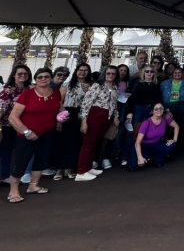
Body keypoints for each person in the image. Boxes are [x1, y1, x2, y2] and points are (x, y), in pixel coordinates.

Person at [6, 68, 63, 202]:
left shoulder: (55, 93)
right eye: (40, 77)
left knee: (41, 160)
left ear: (51, 78)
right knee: (20, 162)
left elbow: (59, 108)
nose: (43, 79)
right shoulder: (28, 94)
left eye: (46, 76)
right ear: (35, 79)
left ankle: (33, 186)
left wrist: (62, 115)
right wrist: (26, 131)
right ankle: (13, 191)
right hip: (26, 135)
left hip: (47, 133)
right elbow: (13, 117)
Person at [75, 66, 119, 182]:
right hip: (95, 115)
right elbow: (86, 103)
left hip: (106, 118)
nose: (110, 75)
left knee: (95, 143)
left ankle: (88, 167)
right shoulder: (97, 86)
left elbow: (114, 104)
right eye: (108, 73)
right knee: (88, 144)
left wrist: (115, 117)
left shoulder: (115, 87)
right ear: (104, 74)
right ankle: (81, 171)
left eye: (113, 74)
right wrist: (84, 121)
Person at [0, 65, 32, 184]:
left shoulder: (29, 90)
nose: (23, 76)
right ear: (14, 75)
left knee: (20, 152)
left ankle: (17, 174)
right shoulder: (8, 90)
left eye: (25, 74)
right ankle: (5, 175)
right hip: (9, 126)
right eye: (19, 74)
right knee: (6, 152)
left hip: (24, 126)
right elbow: (1, 108)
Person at [129, 103, 179, 171]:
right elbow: (137, 142)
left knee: (172, 146)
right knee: (134, 166)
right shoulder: (146, 122)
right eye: (156, 109)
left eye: (161, 108)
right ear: (152, 111)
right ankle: (150, 158)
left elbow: (176, 126)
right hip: (144, 146)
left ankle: (152, 158)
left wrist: (174, 139)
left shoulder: (165, 117)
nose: (159, 110)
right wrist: (140, 157)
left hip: (157, 144)